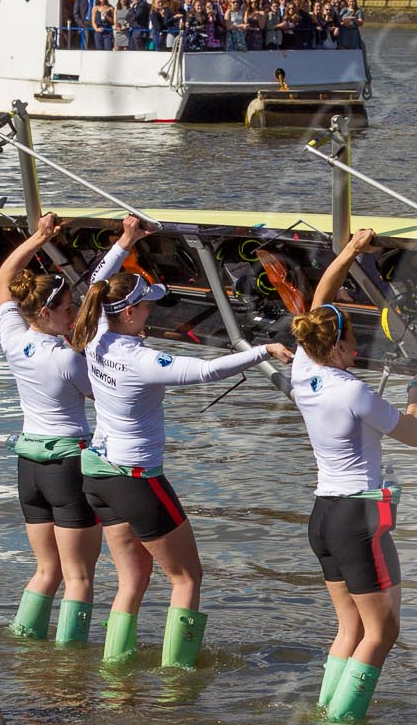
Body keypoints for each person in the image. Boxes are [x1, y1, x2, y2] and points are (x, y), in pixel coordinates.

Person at [70, 264, 293, 668]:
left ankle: (115, 671)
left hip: (97, 475)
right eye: (146, 306)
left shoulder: (95, 334)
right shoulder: (141, 359)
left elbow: (95, 283)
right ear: (128, 312)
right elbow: (207, 371)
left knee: (131, 579)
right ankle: (178, 677)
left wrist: (124, 242)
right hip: (136, 480)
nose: (151, 312)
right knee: (187, 578)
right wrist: (265, 351)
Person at [292, 231, 417, 722]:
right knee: (382, 633)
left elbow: (319, 300)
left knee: (349, 628)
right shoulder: (352, 391)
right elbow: (414, 434)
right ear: (337, 346)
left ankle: (327, 714)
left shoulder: (302, 367)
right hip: (361, 518)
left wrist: (349, 254)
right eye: (353, 340)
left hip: (323, 517)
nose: (358, 348)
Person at [0, 212, 139, 645]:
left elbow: (6, 273)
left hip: (29, 467)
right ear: (46, 312)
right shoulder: (66, 360)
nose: (74, 313)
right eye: (68, 309)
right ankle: (69, 664)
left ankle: (22, 646)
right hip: (66, 467)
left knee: (46, 571)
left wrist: (38, 237)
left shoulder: (13, 337)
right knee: (78, 578)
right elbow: (104, 393)